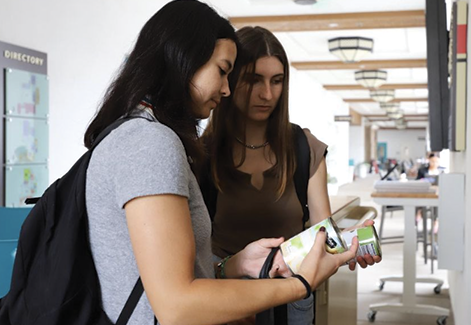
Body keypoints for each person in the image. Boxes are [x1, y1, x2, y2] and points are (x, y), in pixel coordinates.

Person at [83, 2, 359, 324]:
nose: (226, 89)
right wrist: (298, 285)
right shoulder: (152, 143)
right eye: (224, 71)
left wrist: (237, 264)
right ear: (185, 62)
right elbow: (177, 304)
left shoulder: (137, 133)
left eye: (277, 81)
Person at [201, 26, 380, 324]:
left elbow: (323, 234)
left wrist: (350, 243)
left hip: (292, 298)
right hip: (227, 300)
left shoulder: (304, 147)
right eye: (253, 80)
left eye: (277, 81)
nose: (267, 94)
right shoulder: (203, 154)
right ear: (230, 80)